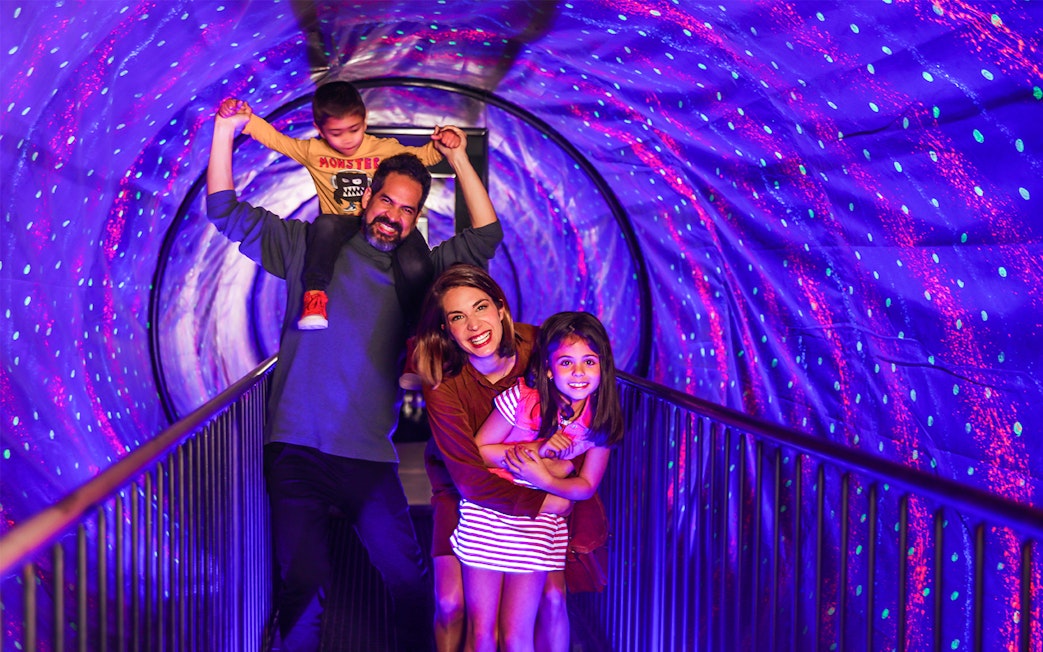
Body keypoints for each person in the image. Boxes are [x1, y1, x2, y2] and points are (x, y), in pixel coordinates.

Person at [207, 99, 501, 652]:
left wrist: (460, 159)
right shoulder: (305, 247)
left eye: (407, 209)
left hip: (367, 455)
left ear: (417, 218)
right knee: (305, 586)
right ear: (366, 197)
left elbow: (485, 237)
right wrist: (226, 132)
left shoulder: (421, 273)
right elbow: (224, 210)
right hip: (296, 447)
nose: (393, 215)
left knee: (407, 578)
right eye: (386, 200)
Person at [410, 266, 570, 652]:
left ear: (500, 308)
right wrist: (546, 500)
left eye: (480, 307)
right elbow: (467, 476)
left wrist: (557, 477)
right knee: (451, 604)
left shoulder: (539, 347)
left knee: (551, 600)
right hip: (465, 490)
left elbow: (582, 409)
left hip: (535, 481)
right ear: (446, 329)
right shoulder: (442, 378)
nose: (473, 325)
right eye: (457, 317)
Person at [220, 80, 461, 330]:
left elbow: (423, 157)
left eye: (353, 130)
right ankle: (315, 296)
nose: (347, 139)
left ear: (364, 122)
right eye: (336, 133)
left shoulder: (384, 149)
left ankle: (421, 324)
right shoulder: (314, 152)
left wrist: (444, 142)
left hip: (380, 222)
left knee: (416, 261)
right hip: (341, 225)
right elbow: (276, 140)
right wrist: (246, 118)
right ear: (320, 130)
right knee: (324, 226)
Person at [457, 311, 624, 652]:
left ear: (603, 366)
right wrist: (538, 450)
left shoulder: (600, 422)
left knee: (517, 634)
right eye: (566, 362)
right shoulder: (521, 399)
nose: (578, 372)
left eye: (589, 361)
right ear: (548, 368)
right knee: (483, 633)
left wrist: (544, 477)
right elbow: (480, 451)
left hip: (537, 527)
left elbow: (586, 486)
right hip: (487, 515)